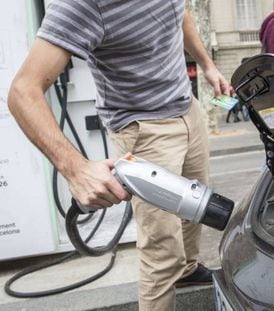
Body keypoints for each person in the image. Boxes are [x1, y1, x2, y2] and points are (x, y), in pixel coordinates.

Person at [7, 1, 231, 310]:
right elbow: (22, 91)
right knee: (162, 251)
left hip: (187, 108)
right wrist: (76, 170)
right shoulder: (82, 4)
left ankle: (188, 270)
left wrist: (208, 65)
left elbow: (180, 13)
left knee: (195, 209)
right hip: (145, 130)